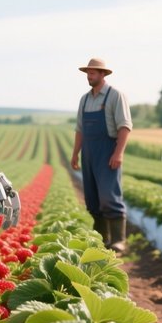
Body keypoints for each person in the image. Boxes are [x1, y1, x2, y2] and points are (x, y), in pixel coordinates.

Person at [70, 58, 132, 253]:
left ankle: (118, 240)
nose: (90, 76)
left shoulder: (115, 96)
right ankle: (102, 239)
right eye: (88, 72)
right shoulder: (85, 99)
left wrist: (118, 153)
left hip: (107, 151)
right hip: (88, 151)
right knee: (92, 198)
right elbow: (80, 129)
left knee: (109, 196)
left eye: (94, 72)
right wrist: (75, 154)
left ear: (103, 74)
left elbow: (124, 126)